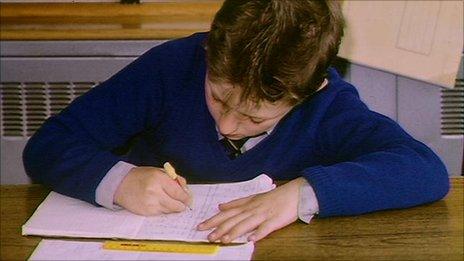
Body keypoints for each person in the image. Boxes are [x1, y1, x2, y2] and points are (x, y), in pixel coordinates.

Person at [23, 0, 449, 244]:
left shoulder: (328, 106)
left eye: (253, 116)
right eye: (220, 97)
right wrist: (119, 181)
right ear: (210, 52)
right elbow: (48, 145)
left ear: (309, 92)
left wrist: (303, 194)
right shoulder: (171, 68)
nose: (227, 126)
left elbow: (424, 170)